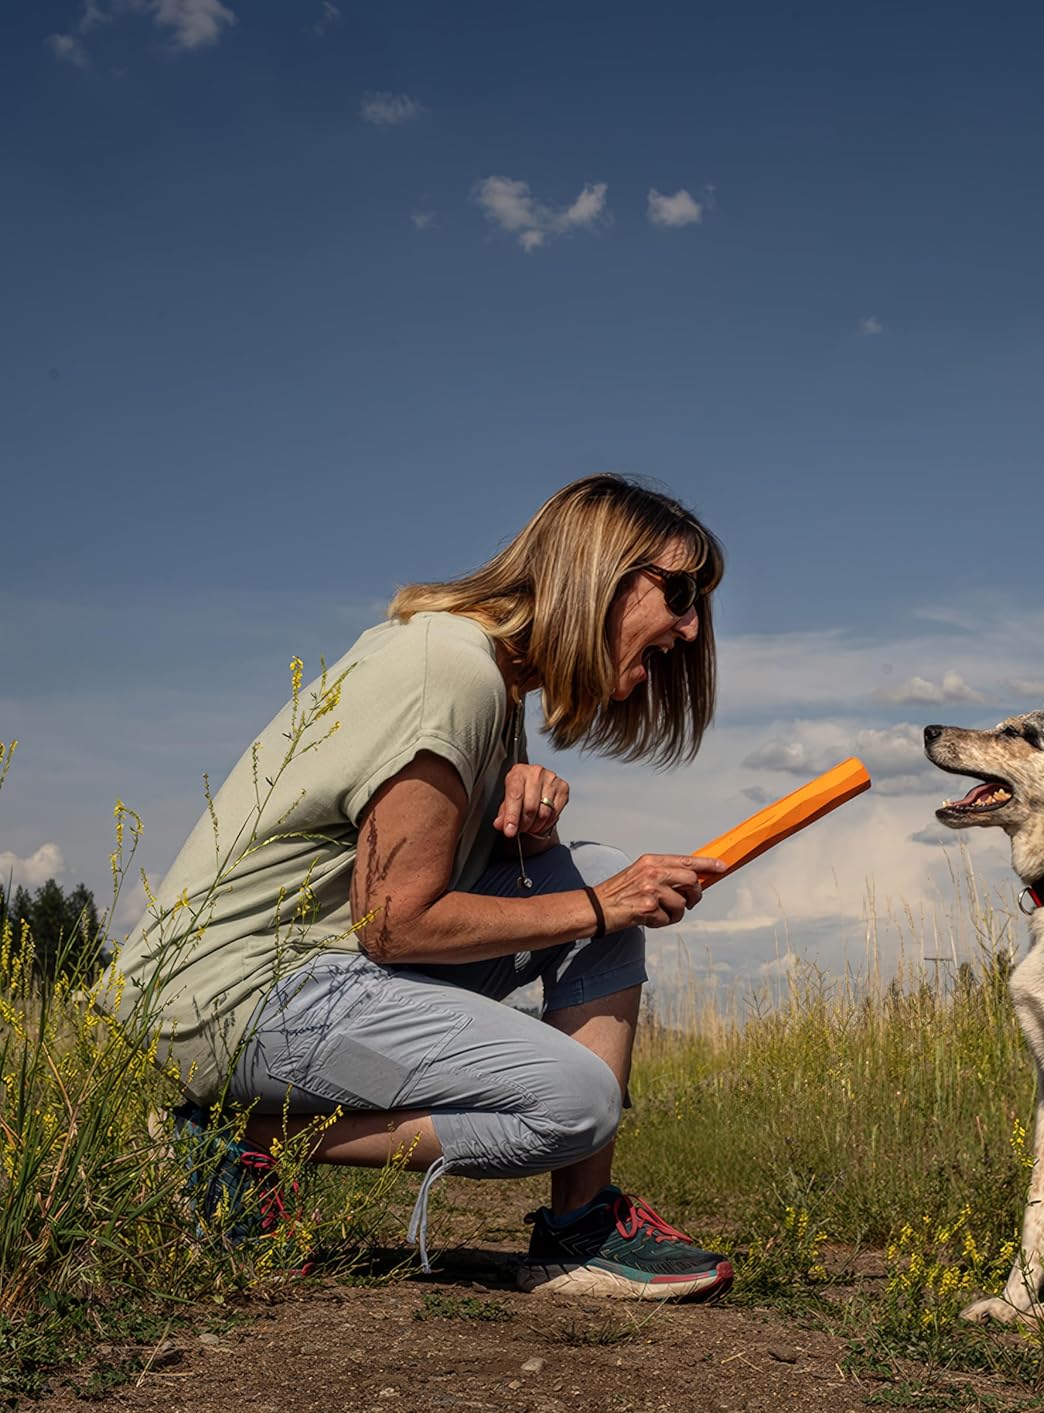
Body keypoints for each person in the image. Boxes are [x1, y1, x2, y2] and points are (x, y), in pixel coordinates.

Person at [118, 474, 732, 1300]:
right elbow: (393, 924)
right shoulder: (448, 669)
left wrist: (527, 844)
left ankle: (578, 1231)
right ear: (598, 572)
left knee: (595, 866)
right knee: (575, 1100)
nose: (693, 627)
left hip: (318, 972)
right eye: (682, 591)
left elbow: (387, 887)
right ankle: (226, 1142)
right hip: (232, 996)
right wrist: (597, 905)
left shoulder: (484, 679)